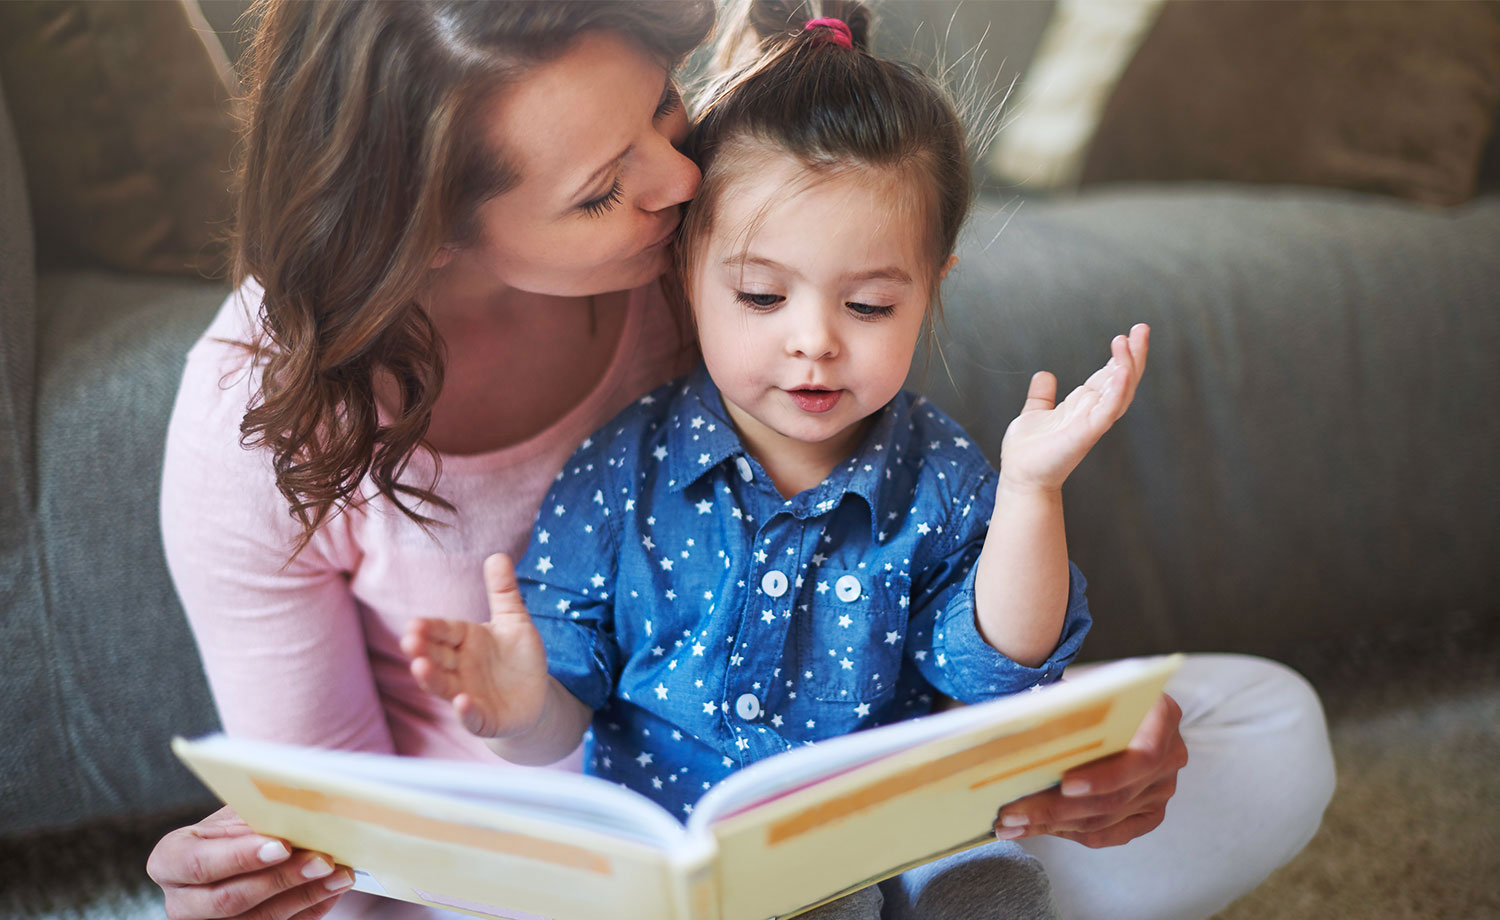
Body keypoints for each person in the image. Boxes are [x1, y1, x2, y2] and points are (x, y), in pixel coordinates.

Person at [146, 2, 1334, 919]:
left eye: (664, 113)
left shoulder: (710, 251)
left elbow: (958, 633)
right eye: (606, 190)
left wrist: (1098, 752)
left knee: (1265, 726)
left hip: (855, 798)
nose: (678, 184)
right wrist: (250, 876)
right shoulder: (261, 418)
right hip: (562, 858)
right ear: (427, 223)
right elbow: (342, 827)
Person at [401, 12, 1147, 918]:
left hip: (884, 837)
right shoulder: (619, 472)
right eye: (761, 295)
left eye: (869, 306)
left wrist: (1032, 489)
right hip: (676, 864)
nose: (814, 344)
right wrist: (521, 711)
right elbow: (563, 712)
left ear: (930, 290)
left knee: (986, 885)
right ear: (686, 275)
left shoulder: (942, 475)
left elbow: (998, 674)